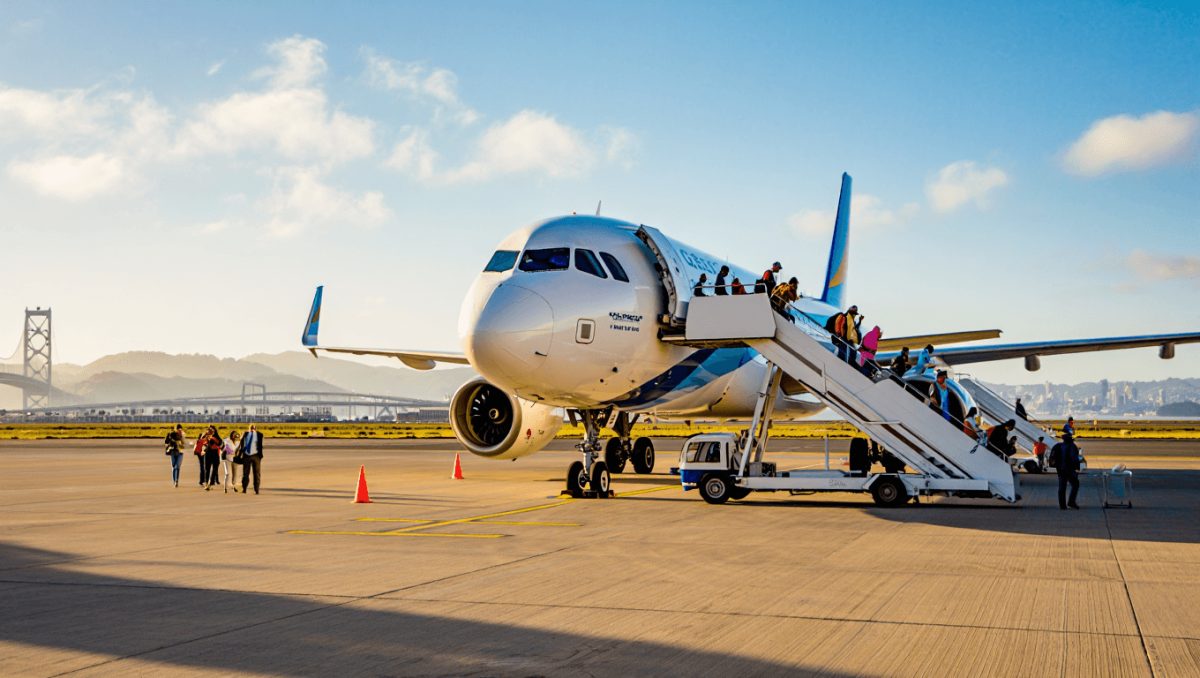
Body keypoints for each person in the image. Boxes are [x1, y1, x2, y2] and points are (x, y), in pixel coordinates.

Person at [1049, 433, 1082, 509]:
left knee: (1062, 487)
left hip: (1060, 469)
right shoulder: (1072, 446)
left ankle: (1062, 505)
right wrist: (1077, 468)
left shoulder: (1058, 446)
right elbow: (1074, 458)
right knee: (1075, 484)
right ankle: (1071, 502)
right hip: (1069, 469)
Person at [239, 423, 265, 495]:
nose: (252, 429)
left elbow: (260, 445)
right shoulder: (245, 434)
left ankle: (257, 489)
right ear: (249, 428)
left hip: (256, 456)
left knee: (257, 474)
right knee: (245, 473)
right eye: (251, 427)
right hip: (246, 456)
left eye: (254, 428)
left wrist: (260, 456)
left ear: (256, 428)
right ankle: (244, 488)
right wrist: (240, 454)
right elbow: (241, 443)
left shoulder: (259, 435)